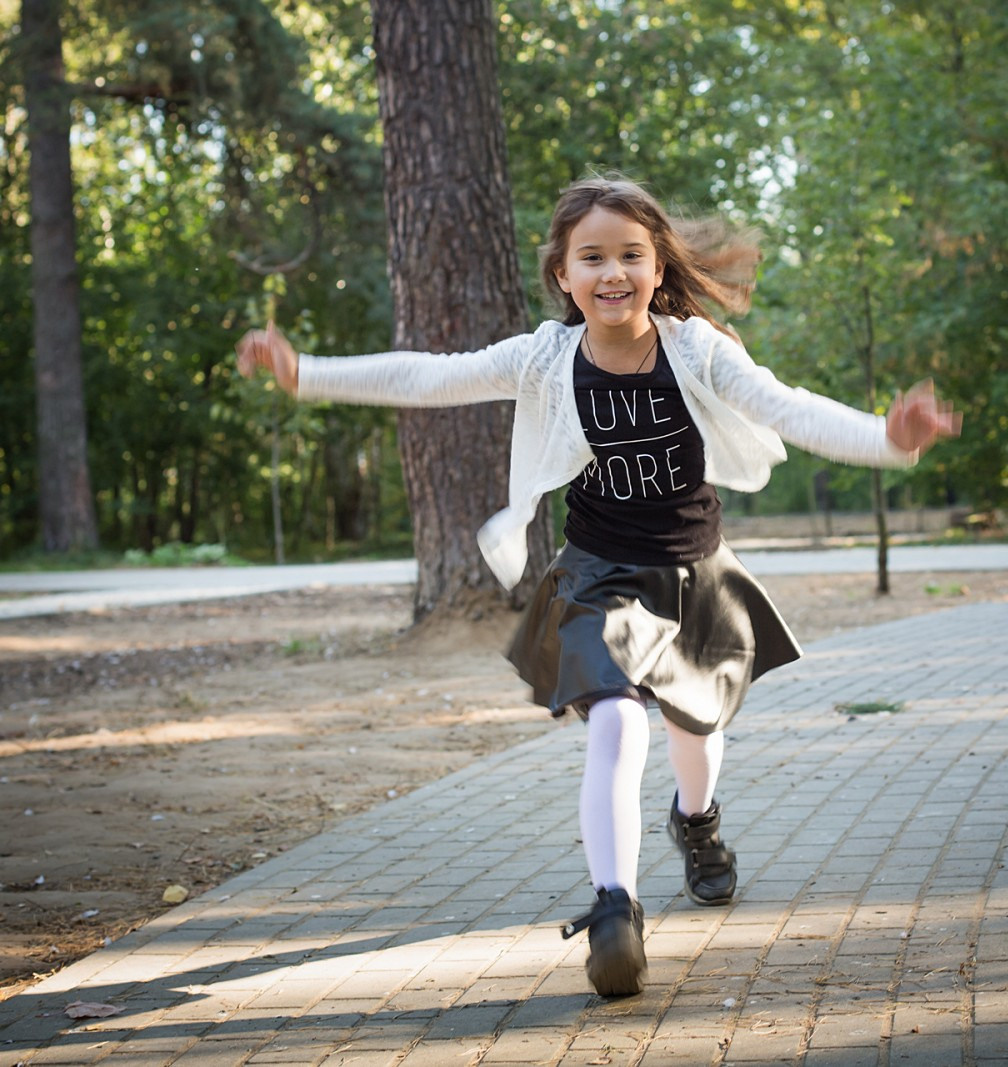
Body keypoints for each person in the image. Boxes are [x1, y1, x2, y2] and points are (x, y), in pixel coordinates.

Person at [235, 175, 960, 998]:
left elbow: (787, 408)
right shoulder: (544, 357)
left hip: (694, 571)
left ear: (656, 269)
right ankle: (615, 909)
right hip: (599, 572)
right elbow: (430, 377)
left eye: (629, 256)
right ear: (563, 276)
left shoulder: (696, 350)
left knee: (696, 730)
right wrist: (308, 373)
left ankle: (698, 824)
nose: (611, 272)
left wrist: (888, 437)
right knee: (616, 720)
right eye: (592, 258)